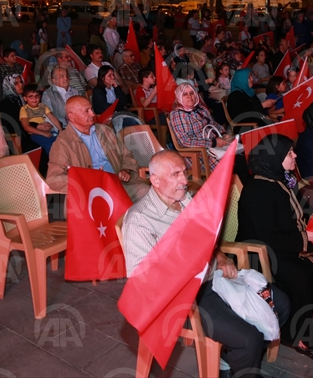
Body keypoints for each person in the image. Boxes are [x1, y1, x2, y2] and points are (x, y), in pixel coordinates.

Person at [122, 150, 290, 378]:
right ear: (155, 180)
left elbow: (206, 239)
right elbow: (142, 281)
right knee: (249, 339)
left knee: (280, 303)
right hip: (185, 298)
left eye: (184, 172)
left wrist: (219, 257)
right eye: (176, 174)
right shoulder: (140, 222)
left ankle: (232, 360)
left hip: (214, 278)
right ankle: (242, 361)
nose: (184, 180)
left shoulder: (185, 199)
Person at [237, 135, 313, 362]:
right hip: (259, 252)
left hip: (281, 242)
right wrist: (304, 238)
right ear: (274, 158)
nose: (295, 156)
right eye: (289, 153)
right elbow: (267, 236)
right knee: (301, 273)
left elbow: (298, 212)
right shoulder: (259, 190)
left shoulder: (280, 179)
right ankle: (296, 335)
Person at [45, 96, 150, 201]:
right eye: (87, 111)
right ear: (71, 117)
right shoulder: (63, 143)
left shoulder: (105, 131)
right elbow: (54, 179)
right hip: (92, 194)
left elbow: (126, 154)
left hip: (119, 184)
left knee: (147, 193)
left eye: (91, 109)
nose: (92, 114)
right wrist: (89, 180)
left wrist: (125, 169)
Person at [19, 84, 62, 155]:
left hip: (49, 130)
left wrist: (60, 130)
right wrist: (43, 133)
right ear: (25, 98)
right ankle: (54, 162)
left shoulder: (43, 106)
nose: (34, 99)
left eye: (37, 96)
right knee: (51, 146)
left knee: (61, 142)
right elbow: (26, 127)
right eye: (31, 96)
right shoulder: (24, 109)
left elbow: (53, 118)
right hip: (36, 134)